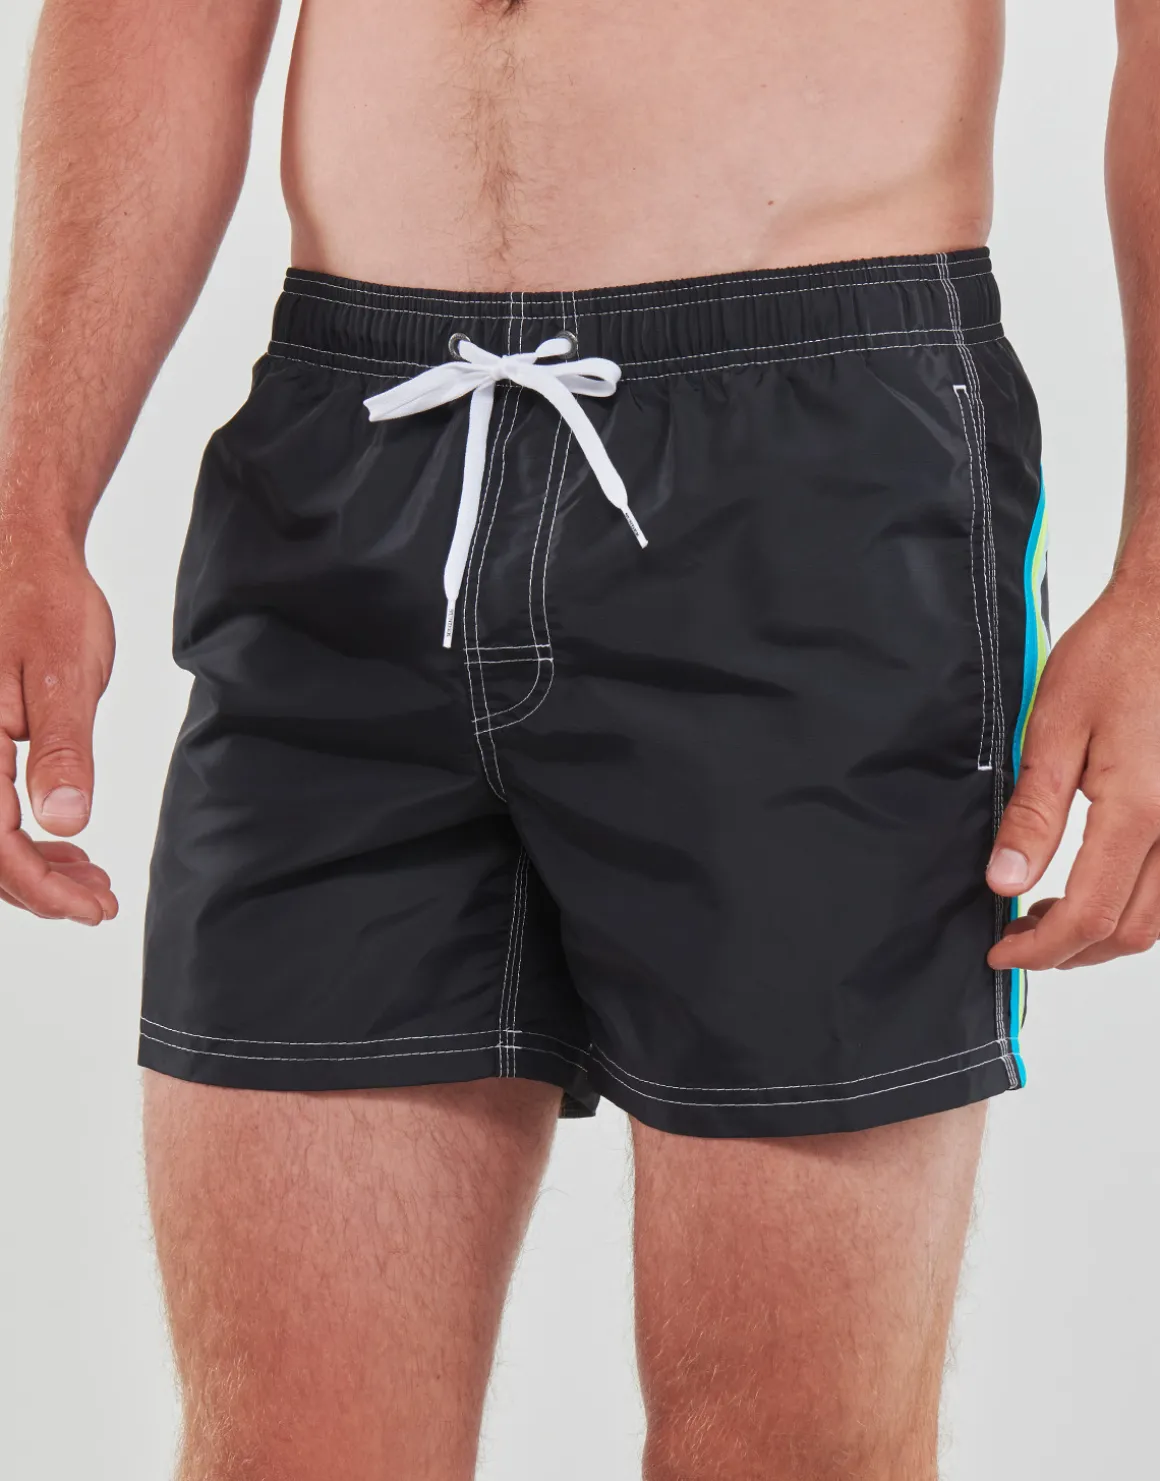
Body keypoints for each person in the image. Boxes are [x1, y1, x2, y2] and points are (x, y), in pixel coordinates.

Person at [1, 0, 1157, 1476]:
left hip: (806, 470)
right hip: (345, 463)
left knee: (788, 1455)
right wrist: (27, 505)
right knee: (286, 1454)